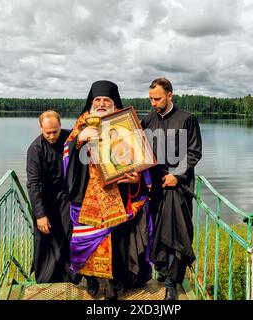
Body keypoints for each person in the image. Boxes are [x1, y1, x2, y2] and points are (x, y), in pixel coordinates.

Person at [63, 80, 152, 300]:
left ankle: (116, 285)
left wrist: (136, 178)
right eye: (98, 100)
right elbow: (66, 156)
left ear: (114, 103)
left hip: (117, 196)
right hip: (85, 198)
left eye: (106, 100)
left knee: (117, 244)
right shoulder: (81, 125)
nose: (102, 104)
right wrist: (79, 141)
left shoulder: (124, 123)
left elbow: (138, 160)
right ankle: (92, 280)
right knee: (87, 245)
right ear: (92, 103)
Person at [141, 77, 202, 300]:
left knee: (176, 233)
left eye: (157, 99)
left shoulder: (187, 119)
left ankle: (171, 284)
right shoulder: (147, 121)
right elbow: (137, 150)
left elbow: (194, 152)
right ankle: (163, 271)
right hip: (155, 187)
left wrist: (177, 175)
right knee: (158, 231)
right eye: (150, 99)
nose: (153, 103)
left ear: (169, 95)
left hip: (179, 188)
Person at [26, 110, 76, 283]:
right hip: (45, 199)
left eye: (55, 131)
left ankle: (69, 278)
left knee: (69, 238)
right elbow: (33, 184)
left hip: (67, 198)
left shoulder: (70, 138)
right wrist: (40, 215)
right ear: (41, 128)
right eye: (48, 132)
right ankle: (44, 281)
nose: (53, 136)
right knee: (44, 241)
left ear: (60, 126)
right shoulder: (35, 149)